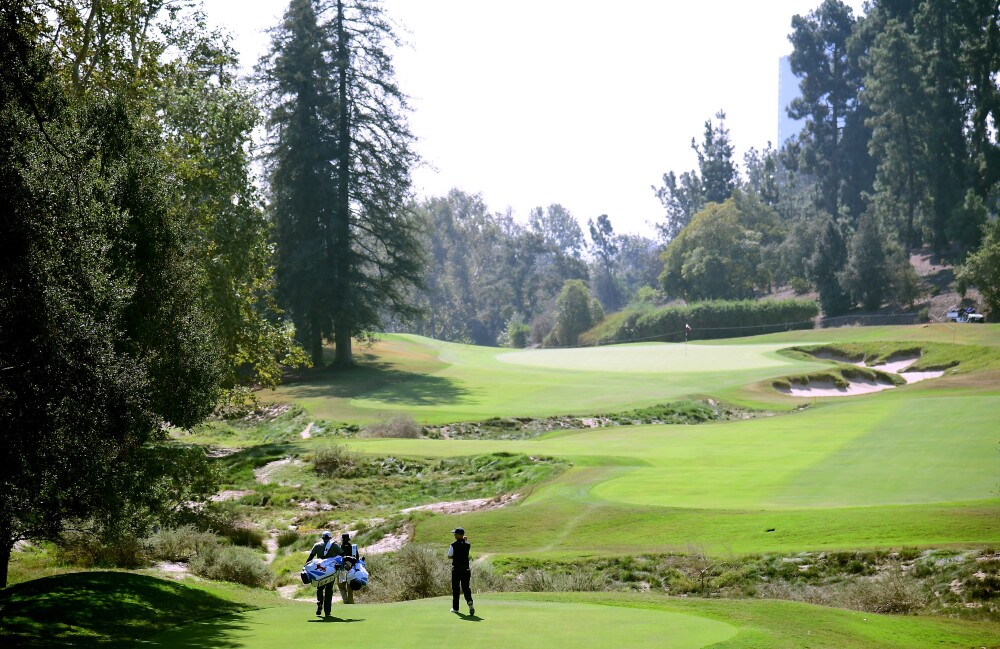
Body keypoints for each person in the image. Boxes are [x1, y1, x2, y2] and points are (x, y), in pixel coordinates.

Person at [308, 530, 341, 616]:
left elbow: (310, 558)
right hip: (330, 571)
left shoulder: (317, 545)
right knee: (329, 590)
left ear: (322, 538)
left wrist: (306, 568)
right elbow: (342, 555)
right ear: (330, 537)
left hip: (319, 571)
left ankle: (319, 602)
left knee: (319, 588)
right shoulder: (334, 545)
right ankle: (327, 611)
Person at [448, 527, 474, 615]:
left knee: (456, 588)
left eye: (455, 534)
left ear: (459, 535)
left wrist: (455, 556)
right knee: (466, 587)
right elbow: (464, 545)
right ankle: (469, 602)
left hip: (456, 570)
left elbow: (449, 556)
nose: (454, 535)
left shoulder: (453, 545)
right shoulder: (468, 545)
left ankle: (455, 608)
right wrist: (465, 540)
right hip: (466, 569)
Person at [338, 532, 360, 604]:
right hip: (351, 569)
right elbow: (357, 558)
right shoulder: (353, 548)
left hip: (342, 569)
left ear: (342, 539)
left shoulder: (339, 548)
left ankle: (346, 601)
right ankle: (351, 601)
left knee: (341, 587)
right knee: (350, 587)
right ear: (348, 539)